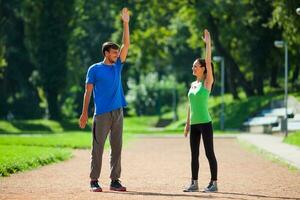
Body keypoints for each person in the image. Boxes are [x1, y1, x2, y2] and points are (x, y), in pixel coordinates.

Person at [79, 7, 130, 192]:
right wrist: (84, 113)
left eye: (118, 53)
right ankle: (94, 180)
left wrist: (125, 23)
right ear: (106, 53)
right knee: (97, 148)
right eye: (114, 53)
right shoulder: (94, 69)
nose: (117, 55)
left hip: (118, 111)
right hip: (101, 113)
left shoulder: (117, 67)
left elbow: (127, 45)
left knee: (117, 147)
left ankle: (115, 180)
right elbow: (87, 92)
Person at [183, 29, 218, 193]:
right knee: (194, 155)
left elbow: (209, 59)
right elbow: (190, 104)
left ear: (204, 68)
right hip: (195, 124)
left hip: (205, 123)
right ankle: (194, 183)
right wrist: (187, 124)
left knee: (209, 154)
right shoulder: (193, 84)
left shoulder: (207, 82)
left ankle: (214, 183)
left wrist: (208, 44)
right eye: (193, 66)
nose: (193, 67)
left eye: (196, 66)